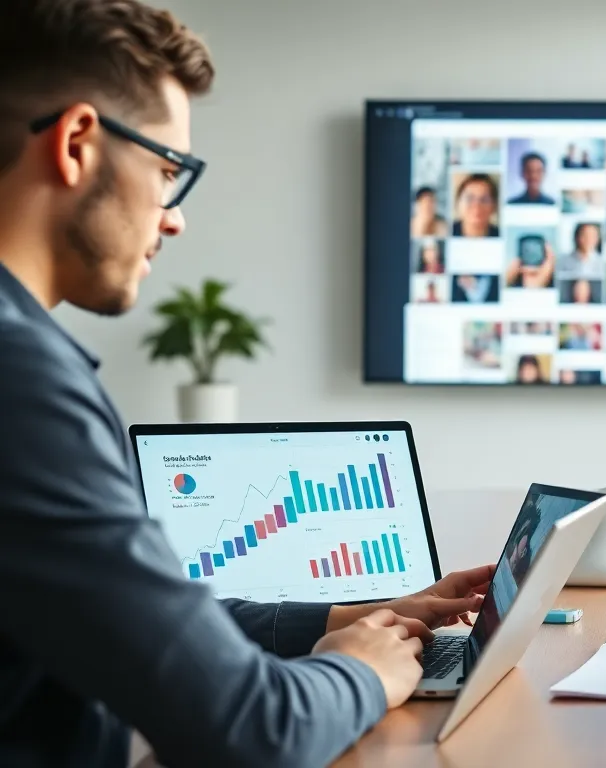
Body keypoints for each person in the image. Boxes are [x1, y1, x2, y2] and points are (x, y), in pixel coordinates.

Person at [0, 2, 498, 766]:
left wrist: (352, 616)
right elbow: (252, 730)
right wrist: (363, 670)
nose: (173, 219)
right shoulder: (23, 385)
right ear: (76, 144)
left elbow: (127, 617)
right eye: (168, 173)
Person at [451, 173, 500, 237]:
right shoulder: (447, 231)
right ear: (458, 203)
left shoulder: (499, 234)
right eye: (470, 198)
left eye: (484, 200)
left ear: (494, 206)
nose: (477, 206)